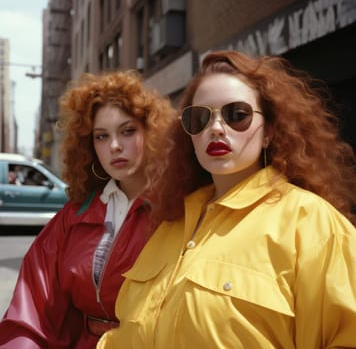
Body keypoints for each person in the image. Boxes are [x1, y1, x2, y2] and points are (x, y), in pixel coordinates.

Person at [97, 50, 356, 349]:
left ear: (270, 130)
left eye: (237, 115)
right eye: (199, 118)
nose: (216, 128)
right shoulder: (171, 224)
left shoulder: (313, 224)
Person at [0, 70, 175, 348]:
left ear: (151, 132)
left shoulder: (177, 210)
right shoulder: (74, 216)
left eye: (127, 131)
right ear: (89, 145)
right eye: (101, 136)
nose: (114, 146)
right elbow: (33, 308)